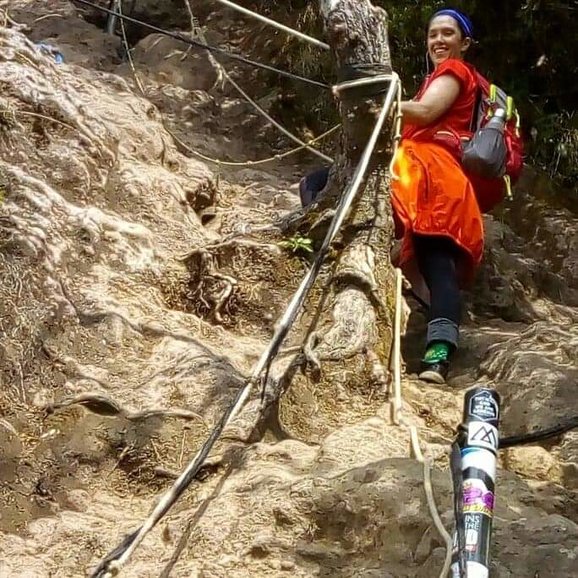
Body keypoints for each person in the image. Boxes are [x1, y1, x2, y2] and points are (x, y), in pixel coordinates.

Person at [391, 8, 484, 384]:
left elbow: (427, 112)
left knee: (437, 260)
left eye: (448, 33)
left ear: (465, 43)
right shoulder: (439, 77)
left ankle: (438, 356)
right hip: (429, 177)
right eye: (433, 34)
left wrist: (372, 101)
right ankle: (435, 356)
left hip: (432, 179)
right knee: (435, 264)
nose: (439, 40)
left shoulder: (456, 72)